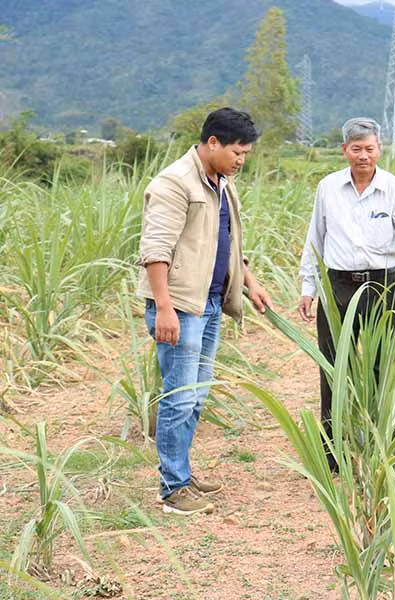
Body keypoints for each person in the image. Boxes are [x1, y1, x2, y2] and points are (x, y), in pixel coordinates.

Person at [137, 107, 271, 515]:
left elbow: (226, 241)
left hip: (210, 304)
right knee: (178, 398)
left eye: (245, 153)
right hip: (181, 306)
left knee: (195, 397)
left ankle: (182, 473)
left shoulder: (222, 182)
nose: (241, 160)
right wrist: (164, 308)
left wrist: (249, 282)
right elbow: (155, 249)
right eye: (237, 152)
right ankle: (173, 490)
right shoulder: (174, 183)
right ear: (212, 142)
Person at [298, 117, 395, 471]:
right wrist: (308, 287)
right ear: (344, 150)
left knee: (387, 366)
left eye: (370, 148)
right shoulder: (328, 188)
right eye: (356, 149)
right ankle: (334, 453)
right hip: (338, 286)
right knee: (333, 367)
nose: (363, 155)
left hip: (383, 287)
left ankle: (386, 447)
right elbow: (315, 237)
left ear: (379, 149)